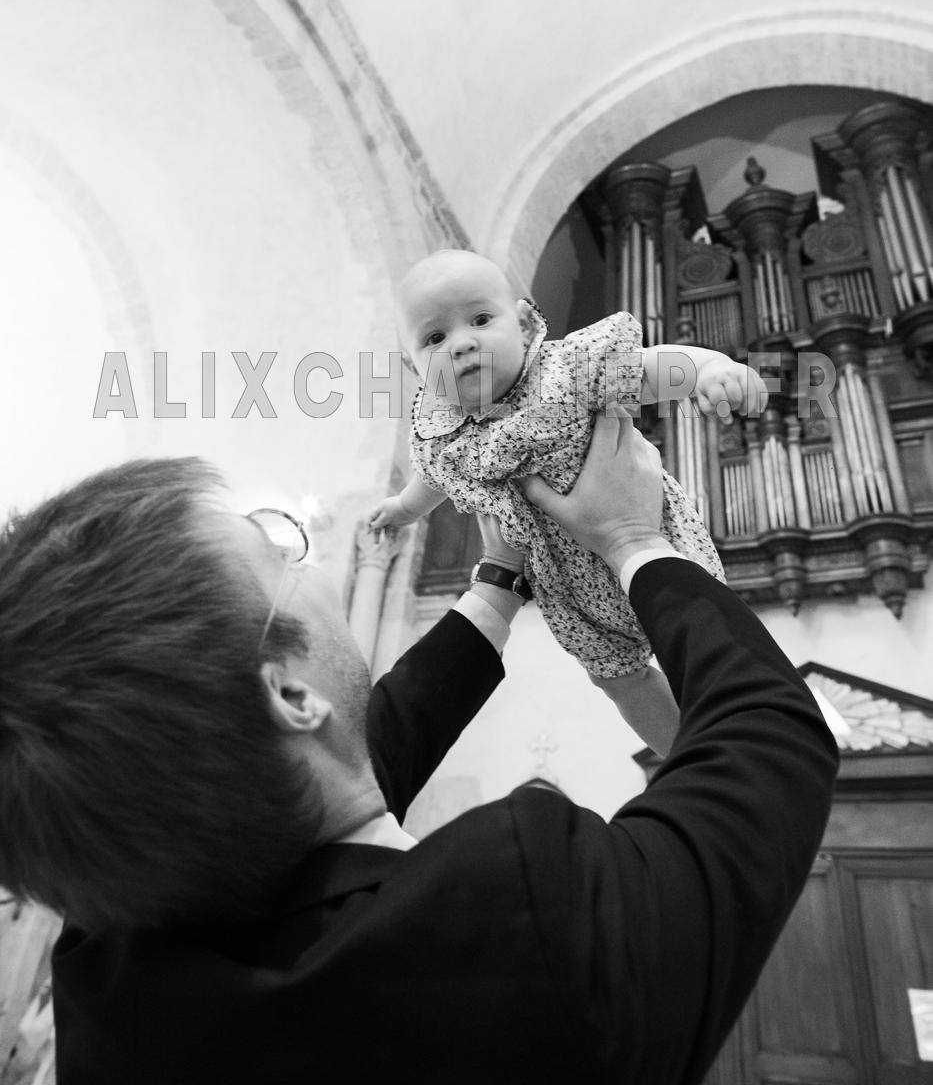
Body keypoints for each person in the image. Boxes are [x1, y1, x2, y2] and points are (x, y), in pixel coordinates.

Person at [0, 417, 837, 1084]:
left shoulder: (110, 973)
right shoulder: (522, 932)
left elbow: (335, 766)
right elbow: (769, 737)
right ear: (289, 695)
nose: (313, 571)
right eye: (282, 558)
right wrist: (631, 539)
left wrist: (497, 582)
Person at [370, 249, 769, 754]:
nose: (462, 343)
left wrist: (711, 369)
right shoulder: (441, 435)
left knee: (703, 642)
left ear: (522, 324)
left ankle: (740, 736)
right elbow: (432, 480)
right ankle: (686, 757)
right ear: (414, 367)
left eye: (481, 319)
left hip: (654, 543)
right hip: (569, 587)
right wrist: (402, 509)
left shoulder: (567, 369)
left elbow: (648, 369)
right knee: (618, 678)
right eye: (434, 338)